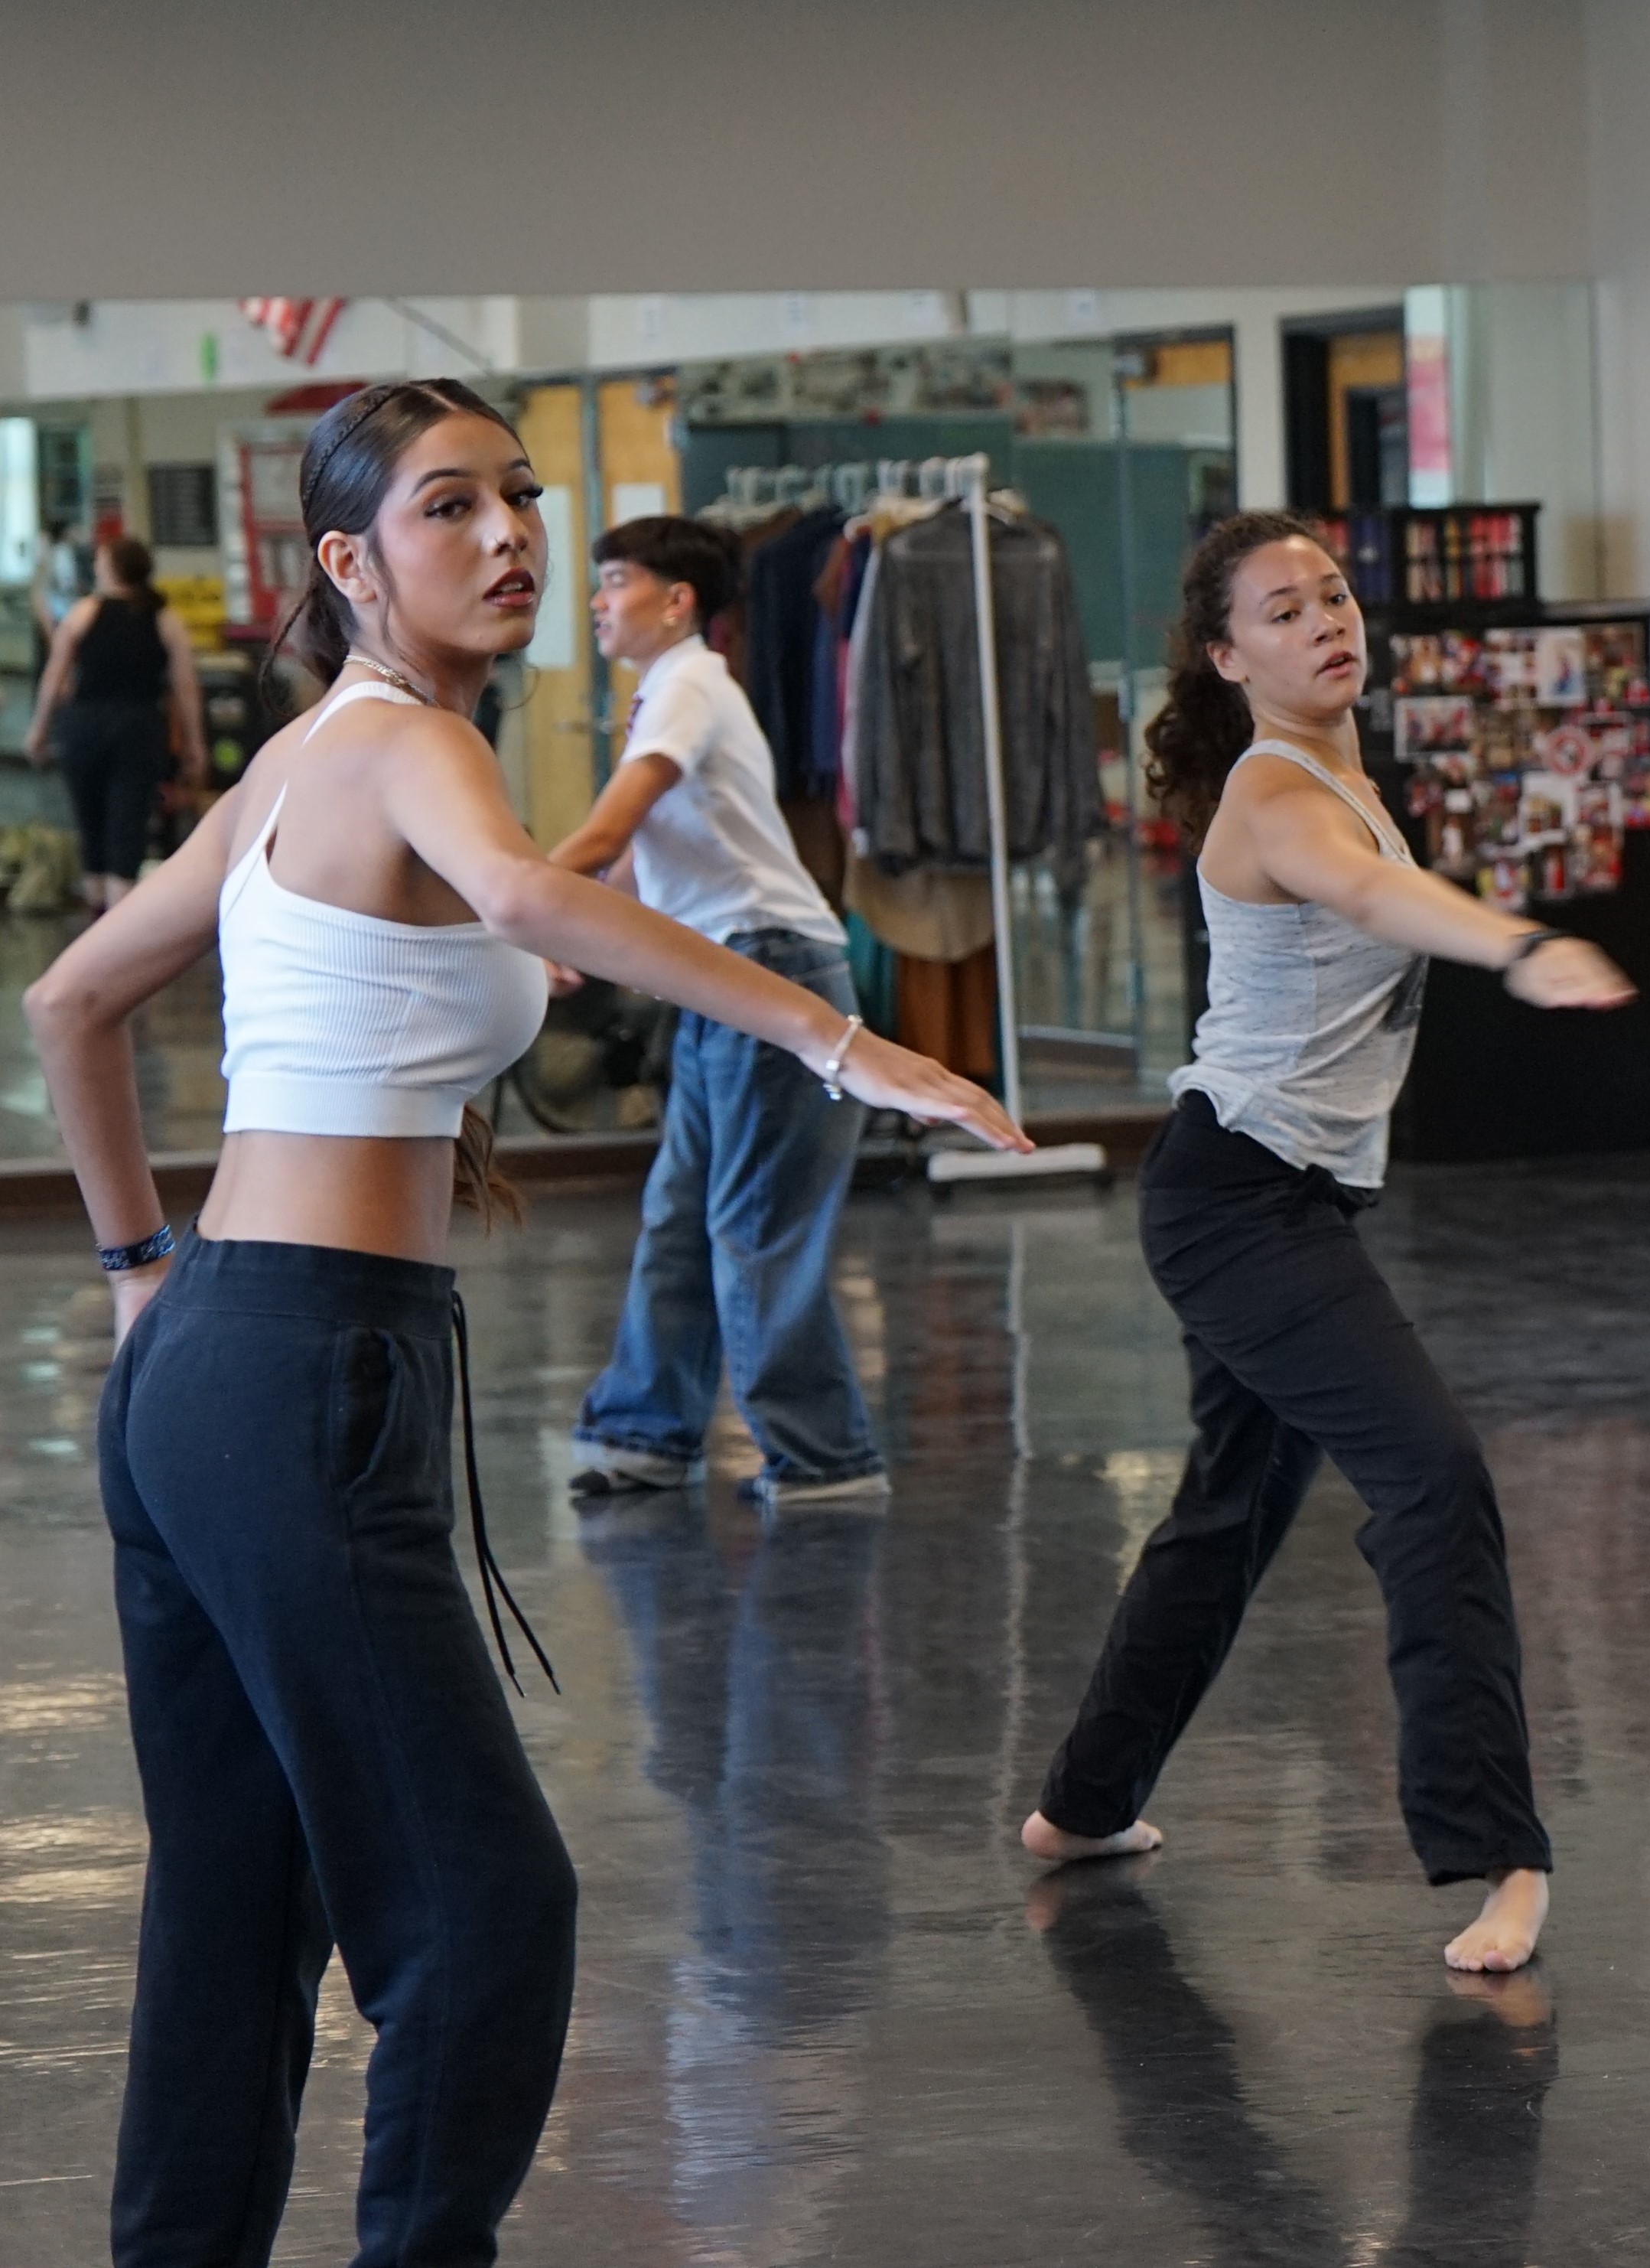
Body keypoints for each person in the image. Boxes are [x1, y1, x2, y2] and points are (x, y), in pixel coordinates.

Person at [22, 380, 1022, 2263]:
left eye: (521, 500)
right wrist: (840, 1033)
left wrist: (147, 1273)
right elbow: (520, 893)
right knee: (484, 1914)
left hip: (219, 1369)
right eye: (445, 508)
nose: (506, 538)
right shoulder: (408, 747)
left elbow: (69, 1002)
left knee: (236, 1917)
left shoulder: (298, 762)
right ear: (349, 558)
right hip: (310, 1366)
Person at [1020, 509, 1635, 1976]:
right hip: (1238, 1203)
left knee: (1229, 1510)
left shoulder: (1349, 770)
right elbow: (1376, 898)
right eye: (1284, 611)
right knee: (1431, 1477)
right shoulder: (1276, 795)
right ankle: (1500, 1853)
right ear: (1229, 657)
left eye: (1334, 595)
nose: (1327, 622)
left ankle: (1081, 1802)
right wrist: (1518, 943)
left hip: (1279, 1194)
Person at [549, 515, 886, 1507]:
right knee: (682, 1215)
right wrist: (566, 929)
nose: (599, 603)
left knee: (752, 1228)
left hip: (771, 972)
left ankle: (826, 1459)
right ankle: (644, 1434)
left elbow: (611, 824)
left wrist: (501, 909)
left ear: (677, 600)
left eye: (615, 581)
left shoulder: (691, 682)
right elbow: (629, 852)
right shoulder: (671, 690)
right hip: (719, 978)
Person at [23, 535, 205, 908]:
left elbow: (54, 679)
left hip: (84, 728)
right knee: (128, 829)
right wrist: (194, 744)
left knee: (91, 831)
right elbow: (185, 688)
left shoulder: (83, 613)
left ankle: (96, 920)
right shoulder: (165, 620)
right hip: (139, 729)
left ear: (111, 568)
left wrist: (38, 731)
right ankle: (121, 929)